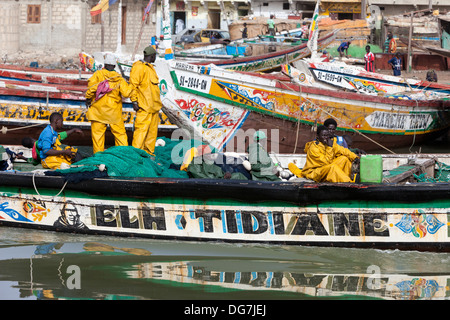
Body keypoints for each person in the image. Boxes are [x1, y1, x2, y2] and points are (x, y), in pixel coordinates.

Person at [85, 53, 137, 154]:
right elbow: (126, 93)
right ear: (114, 66)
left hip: (98, 112)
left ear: (105, 64)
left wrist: (87, 99)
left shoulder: (98, 75)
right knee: (120, 136)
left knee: (97, 138)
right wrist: (131, 86)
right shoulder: (119, 79)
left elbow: (91, 90)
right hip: (114, 113)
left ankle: (98, 159)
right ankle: (123, 156)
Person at [289, 126, 359, 183]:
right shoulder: (314, 148)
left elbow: (344, 150)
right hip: (313, 172)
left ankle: (345, 179)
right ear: (318, 136)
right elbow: (326, 162)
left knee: (344, 159)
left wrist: (355, 158)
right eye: (323, 135)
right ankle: (348, 182)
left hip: (325, 168)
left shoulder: (329, 143)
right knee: (332, 167)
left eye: (327, 136)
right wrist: (329, 148)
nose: (326, 138)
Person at [129, 46, 163, 156]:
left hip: (154, 107)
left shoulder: (150, 68)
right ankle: (136, 155)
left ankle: (149, 155)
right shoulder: (139, 67)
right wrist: (134, 101)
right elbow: (133, 85)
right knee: (140, 133)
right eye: (155, 56)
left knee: (152, 134)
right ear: (152, 56)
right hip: (144, 107)